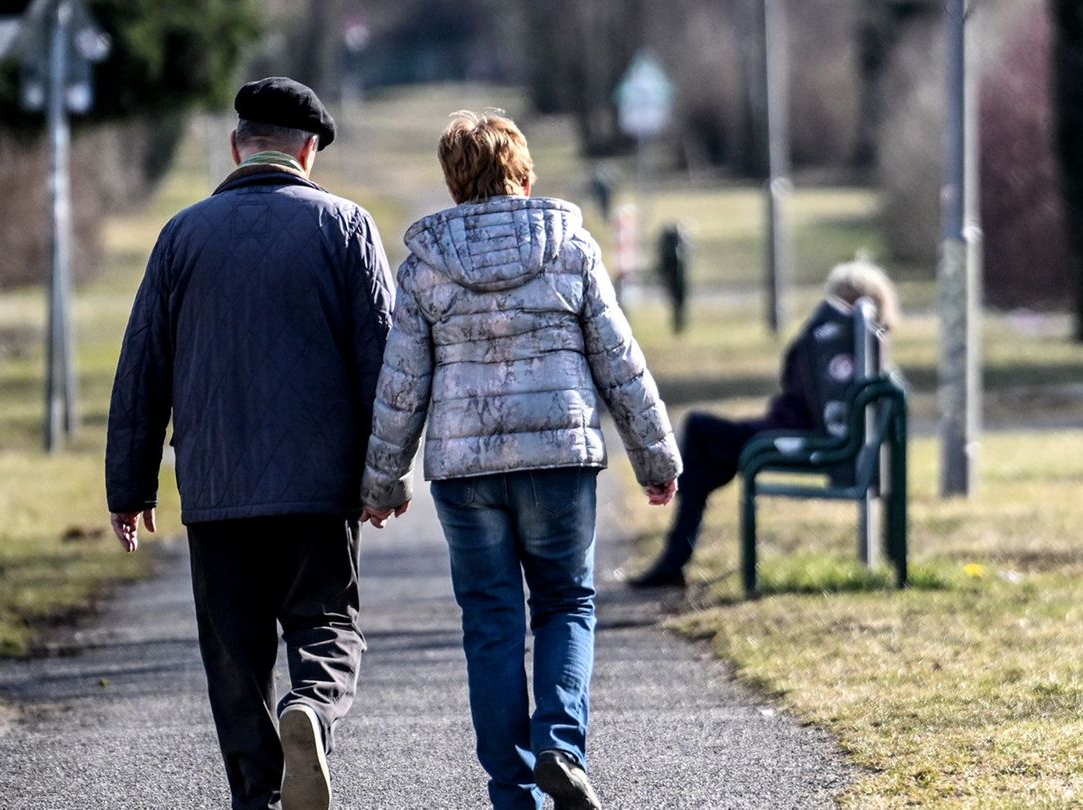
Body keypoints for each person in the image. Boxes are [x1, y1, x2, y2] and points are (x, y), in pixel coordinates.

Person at [360, 110, 682, 810]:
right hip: (560, 458)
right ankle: (561, 748)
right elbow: (620, 362)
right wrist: (656, 458)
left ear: (454, 179)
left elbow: (402, 382)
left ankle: (513, 791)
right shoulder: (571, 248)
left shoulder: (424, 268)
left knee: (491, 619)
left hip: (465, 470)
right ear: (522, 169)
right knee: (566, 601)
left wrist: (382, 482)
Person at [105, 77, 394, 810]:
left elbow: (143, 367)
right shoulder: (347, 228)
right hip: (318, 488)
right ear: (309, 151)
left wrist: (129, 487)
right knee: (327, 625)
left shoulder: (181, 235)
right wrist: (385, 476)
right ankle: (314, 711)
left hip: (217, 486)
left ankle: (256, 798)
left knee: (235, 663)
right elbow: (386, 366)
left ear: (238, 146)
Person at [624, 258, 901, 589]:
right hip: (803, 431)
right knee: (704, 453)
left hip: (796, 434)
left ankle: (676, 555)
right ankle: (677, 551)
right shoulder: (866, 345)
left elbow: (797, 387)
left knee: (699, 432)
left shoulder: (833, 341)